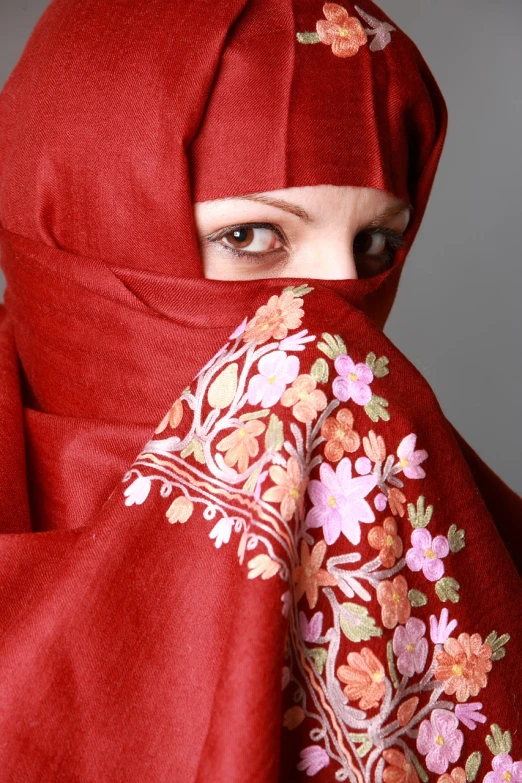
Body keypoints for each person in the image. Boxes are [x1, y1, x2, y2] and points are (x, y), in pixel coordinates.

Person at [0, 0, 520, 781]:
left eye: (374, 245)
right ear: (81, 228)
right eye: (251, 236)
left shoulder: (411, 527)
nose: (326, 324)